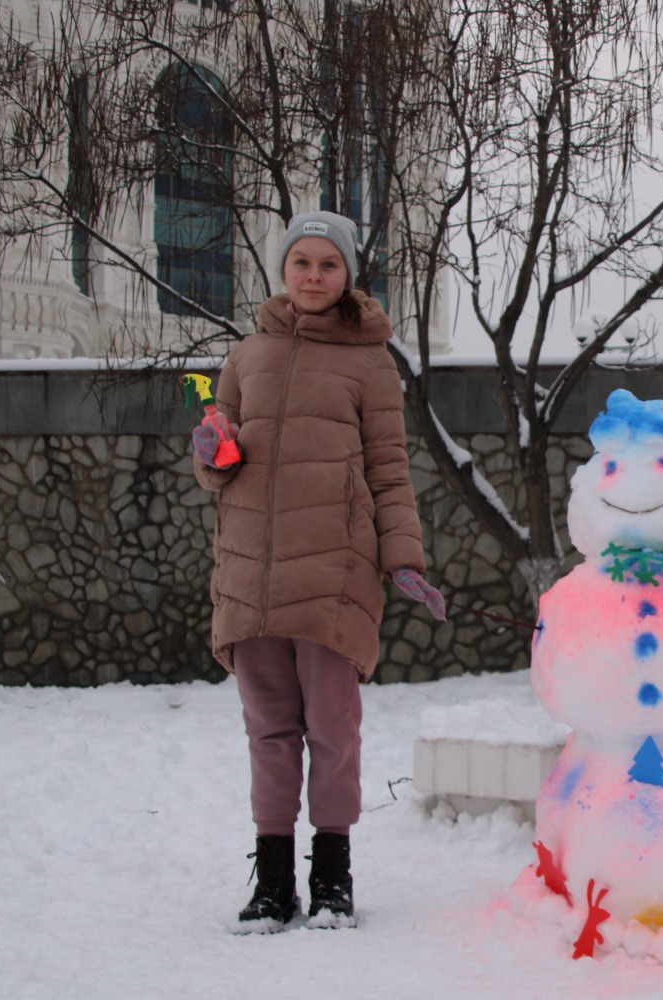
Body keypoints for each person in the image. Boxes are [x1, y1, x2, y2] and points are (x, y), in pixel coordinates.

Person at [192, 211, 447, 932]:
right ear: (285, 269)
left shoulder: (371, 362)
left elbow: (389, 473)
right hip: (253, 571)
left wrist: (402, 557)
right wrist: (210, 452)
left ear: (348, 276)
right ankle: (273, 882)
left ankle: (332, 874)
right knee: (269, 731)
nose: (312, 276)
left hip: (335, 572)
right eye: (301, 262)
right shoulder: (245, 356)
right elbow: (218, 465)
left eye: (327, 265)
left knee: (333, 731)